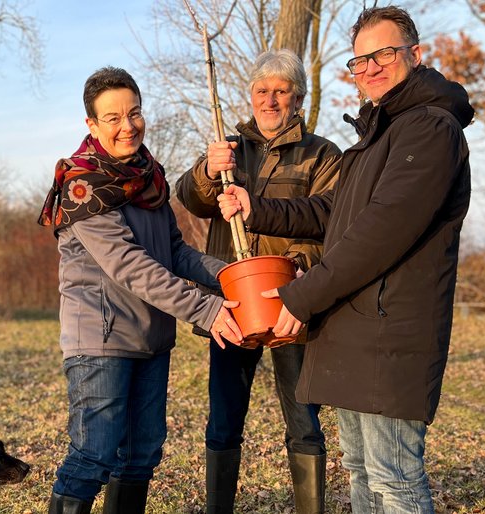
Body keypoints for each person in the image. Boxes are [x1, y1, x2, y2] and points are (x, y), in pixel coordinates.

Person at [218, 6, 473, 513]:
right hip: (357, 329)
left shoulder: (429, 129)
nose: (371, 68)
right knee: (362, 471)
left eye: (384, 54)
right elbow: (334, 211)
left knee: (394, 480)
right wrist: (257, 208)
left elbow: (380, 231)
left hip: (390, 333)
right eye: (360, 61)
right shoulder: (381, 132)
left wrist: (302, 296)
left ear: (415, 54)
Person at [39, 66, 243, 514]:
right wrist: (206, 309)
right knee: (93, 456)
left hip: (151, 338)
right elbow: (129, 266)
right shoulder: (82, 185)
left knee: (140, 457)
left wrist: (237, 276)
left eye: (134, 113)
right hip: (102, 340)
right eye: (112, 118)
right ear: (92, 124)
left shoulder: (149, 178)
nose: (127, 126)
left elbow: (175, 252)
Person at [174, 49, 341, 514]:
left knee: (304, 420)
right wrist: (208, 171)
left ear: (298, 99)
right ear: (250, 95)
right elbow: (189, 198)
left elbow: (329, 224)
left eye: (281, 92)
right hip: (230, 305)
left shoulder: (322, 155)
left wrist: (298, 268)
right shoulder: (229, 149)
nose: (270, 100)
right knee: (223, 420)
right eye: (262, 91)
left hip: (291, 304)